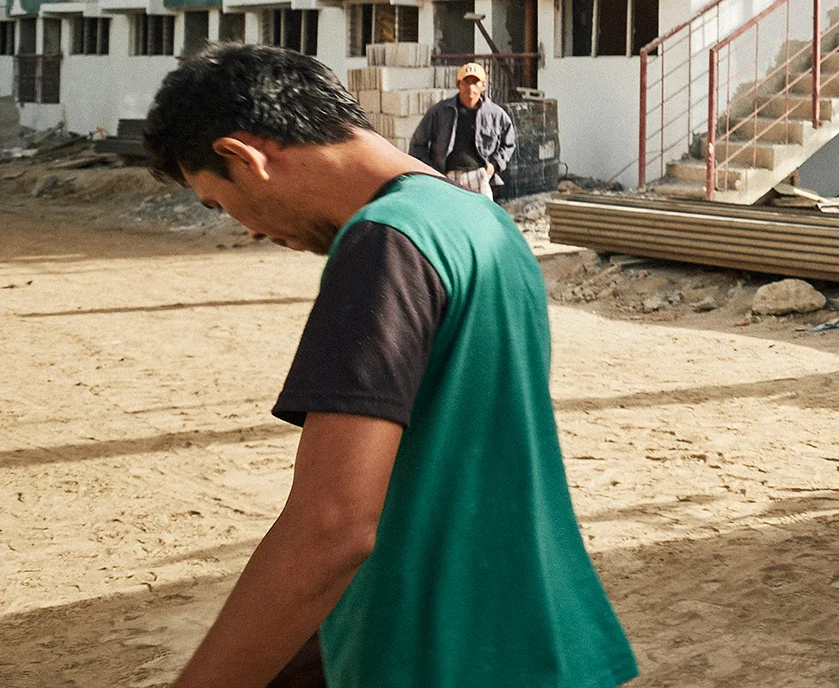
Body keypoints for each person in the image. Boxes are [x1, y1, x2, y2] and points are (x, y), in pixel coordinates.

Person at [146, 44, 637, 688]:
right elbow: (449, 469)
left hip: (440, 658)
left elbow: (334, 526)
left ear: (246, 158)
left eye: (219, 203)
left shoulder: (385, 243)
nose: (249, 231)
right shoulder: (482, 224)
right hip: (541, 644)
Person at [408, 60, 514, 197]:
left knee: (480, 216)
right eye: (466, 82)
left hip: (479, 177)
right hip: (446, 178)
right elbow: (418, 144)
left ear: (483, 86)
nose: (470, 88)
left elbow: (509, 143)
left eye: (475, 83)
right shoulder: (440, 111)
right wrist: (431, 172)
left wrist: (495, 164)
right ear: (458, 84)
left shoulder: (496, 114)